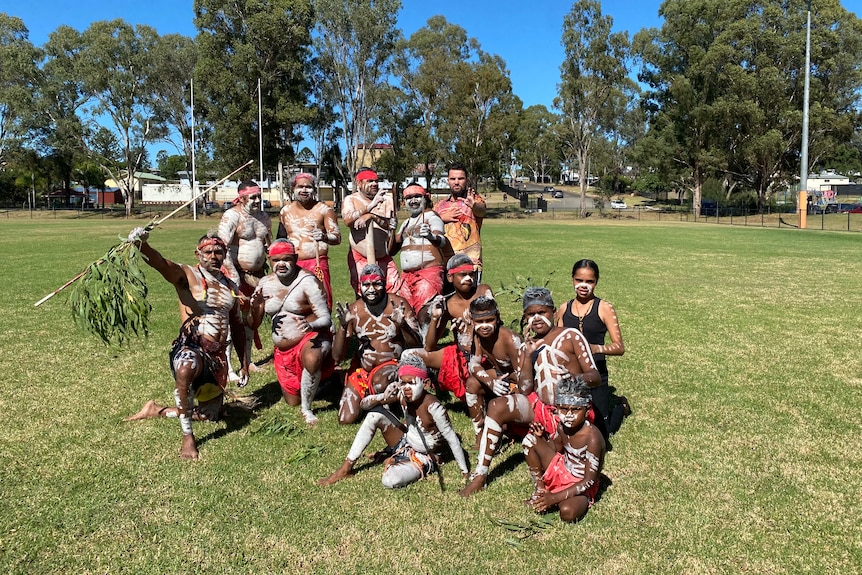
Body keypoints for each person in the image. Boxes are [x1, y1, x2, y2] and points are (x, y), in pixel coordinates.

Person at [459, 287, 600, 497]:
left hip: (569, 412)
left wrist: (571, 380)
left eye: (541, 313)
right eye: (531, 314)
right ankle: (480, 474)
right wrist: (527, 356)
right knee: (497, 406)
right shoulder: (530, 344)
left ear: (553, 312)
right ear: (525, 318)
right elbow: (525, 389)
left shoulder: (571, 336)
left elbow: (595, 377)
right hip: (541, 408)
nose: (537, 318)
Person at [124, 229, 249, 460]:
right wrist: (142, 245)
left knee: (210, 416)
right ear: (198, 254)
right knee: (186, 368)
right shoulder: (187, 275)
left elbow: (237, 325)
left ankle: (156, 410)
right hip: (191, 347)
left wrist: (244, 362)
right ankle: (187, 437)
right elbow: (162, 264)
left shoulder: (230, 285)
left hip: (217, 357)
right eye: (208, 252)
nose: (213, 256)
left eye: (219, 252)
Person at [317, 355, 470, 488]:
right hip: (406, 441)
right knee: (374, 414)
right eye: (403, 383)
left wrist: (465, 472)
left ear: (426, 384)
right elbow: (363, 405)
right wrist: (382, 396)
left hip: (425, 456)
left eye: (411, 382)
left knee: (390, 479)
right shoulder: (402, 395)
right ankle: (345, 468)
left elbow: (452, 439)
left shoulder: (434, 407)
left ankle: (396, 458)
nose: (406, 387)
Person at [248, 239, 333, 425]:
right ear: (269, 261)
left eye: (286, 259)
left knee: (312, 357)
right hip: (284, 351)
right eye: (275, 260)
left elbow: (326, 318)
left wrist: (311, 326)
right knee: (291, 401)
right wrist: (255, 306)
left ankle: (307, 410)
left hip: (310, 339)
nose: (281, 264)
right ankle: (331, 381)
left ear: (295, 258)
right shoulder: (265, 283)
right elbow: (253, 324)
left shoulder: (308, 281)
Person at [333, 264, 422, 425]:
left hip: (392, 366)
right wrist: (343, 327)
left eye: (377, 284)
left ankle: (385, 400)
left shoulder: (398, 304)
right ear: (360, 287)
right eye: (366, 285)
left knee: (381, 383)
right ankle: (378, 401)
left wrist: (403, 325)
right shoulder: (353, 311)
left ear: (384, 284)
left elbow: (418, 345)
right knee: (345, 419)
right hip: (362, 370)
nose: (371, 289)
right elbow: (337, 357)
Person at [556, 259, 629, 435]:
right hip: (570, 377)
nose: (583, 285)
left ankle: (621, 406)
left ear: (596, 281)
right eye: (579, 280)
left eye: (590, 281)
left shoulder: (604, 308)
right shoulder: (564, 308)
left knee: (604, 432)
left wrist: (595, 348)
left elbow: (619, 347)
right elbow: (557, 341)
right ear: (572, 279)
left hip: (596, 376)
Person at [408, 254, 494, 404]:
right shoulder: (448, 304)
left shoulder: (482, 291)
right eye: (463, 275)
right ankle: (423, 399)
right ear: (450, 277)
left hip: (485, 353)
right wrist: (435, 317)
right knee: (409, 356)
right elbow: (429, 346)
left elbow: (493, 325)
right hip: (459, 354)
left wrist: (470, 325)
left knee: (477, 392)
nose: (469, 279)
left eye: (471, 274)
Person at [523, 375, 605, 522]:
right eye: (564, 409)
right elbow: (555, 448)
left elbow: (589, 481)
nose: (569, 415)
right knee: (530, 440)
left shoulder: (592, 437)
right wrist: (542, 438)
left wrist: (554, 499)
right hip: (563, 469)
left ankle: (555, 496)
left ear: (587, 411)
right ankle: (541, 491)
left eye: (575, 410)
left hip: (581, 485)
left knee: (567, 512)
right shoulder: (563, 427)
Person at [218, 180, 272, 378]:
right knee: (233, 323)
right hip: (235, 276)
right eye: (254, 197)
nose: (258, 200)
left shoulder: (264, 217)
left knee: (251, 321)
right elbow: (221, 249)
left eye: (260, 196)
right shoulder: (232, 216)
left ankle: (247, 362)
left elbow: (269, 245)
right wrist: (233, 277)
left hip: (256, 277)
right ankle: (229, 367)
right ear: (241, 198)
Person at [276, 173, 341, 309]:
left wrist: (324, 236)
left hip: (316, 263)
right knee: (294, 304)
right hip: (292, 265)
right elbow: (281, 239)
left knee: (320, 303)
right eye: (300, 186)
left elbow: (337, 237)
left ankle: (324, 330)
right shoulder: (285, 211)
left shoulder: (324, 210)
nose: (304, 190)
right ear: (293, 188)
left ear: (314, 190)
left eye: (308, 187)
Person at [390, 183, 447, 336]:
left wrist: (430, 236)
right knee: (407, 315)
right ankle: (413, 347)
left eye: (417, 196)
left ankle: (427, 350)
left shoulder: (432, 217)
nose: (413, 201)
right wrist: (392, 230)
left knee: (424, 313)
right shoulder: (406, 223)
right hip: (407, 277)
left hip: (428, 273)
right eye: (409, 198)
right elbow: (391, 250)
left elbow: (442, 240)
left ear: (425, 197)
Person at [342, 168, 399, 295]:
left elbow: (390, 225)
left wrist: (372, 216)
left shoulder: (387, 200)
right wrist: (369, 207)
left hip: (384, 256)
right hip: (360, 256)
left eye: (376, 181)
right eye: (370, 181)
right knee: (365, 293)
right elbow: (347, 221)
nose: (374, 184)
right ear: (359, 184)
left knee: (394, 292)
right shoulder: (351, 200)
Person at [433, 161, 486, 271]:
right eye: (453, 179)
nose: (456, 182)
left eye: (460, 179)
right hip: (444, 264)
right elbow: (427, 226)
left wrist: (474, 206)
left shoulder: (474, 199)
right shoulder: (438, 206)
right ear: (448, 180)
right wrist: (441, 218)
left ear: (466, 180)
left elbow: (482, 211)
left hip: (470, 263)